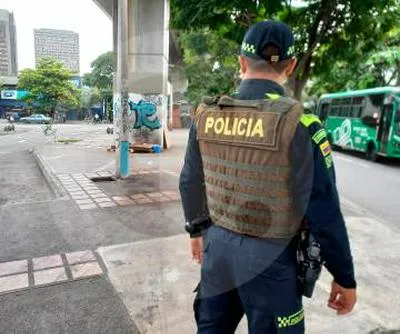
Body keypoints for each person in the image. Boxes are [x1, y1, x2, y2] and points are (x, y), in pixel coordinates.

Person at [179, 20, 357, 333]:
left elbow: (190, 180)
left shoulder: (206, 115)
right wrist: (344, 277)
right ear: (291, 66)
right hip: (271, 259)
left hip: (217, 248)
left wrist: (197, 231)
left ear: (241, 62)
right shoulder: (302, 124)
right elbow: (324, 212)